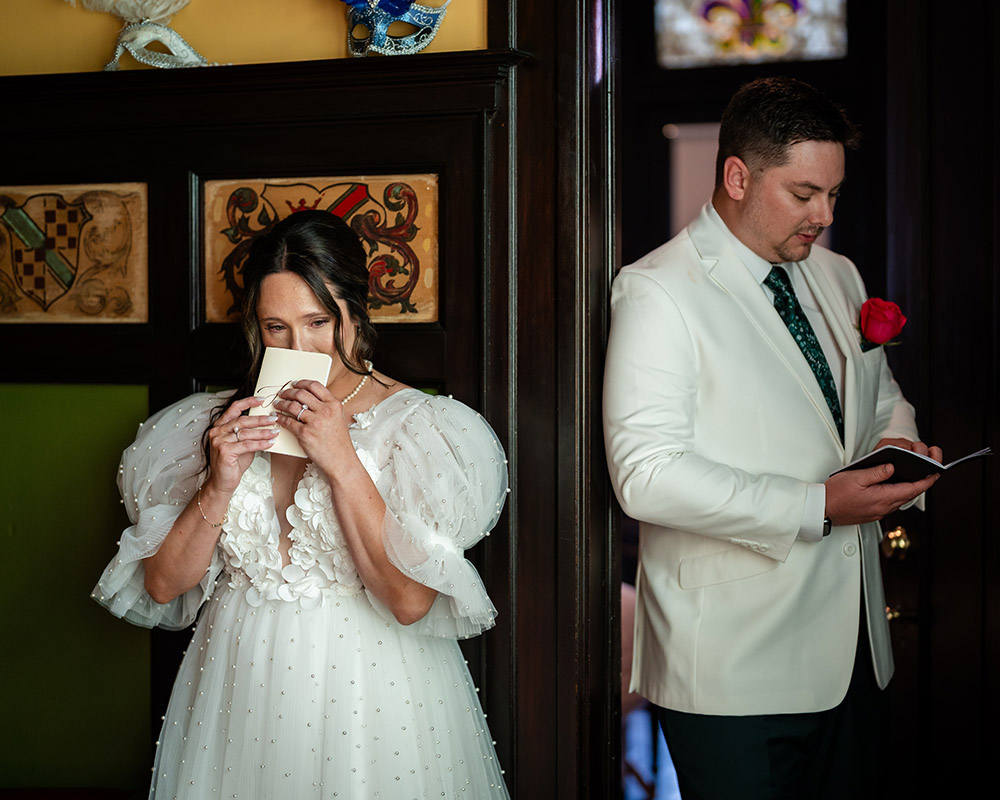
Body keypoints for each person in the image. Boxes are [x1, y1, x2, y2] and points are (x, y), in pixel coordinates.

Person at [92, 210, 510, 798]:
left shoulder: (420, 429)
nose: (300, 346)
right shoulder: (210, 424)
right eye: (276, 328)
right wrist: (220, 481)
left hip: (372, 695)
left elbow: (410, 601)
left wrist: (340, 460)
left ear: (355, 312)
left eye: (319, 321)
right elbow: (162, 587)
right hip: (238, 687)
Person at [603, 77, 942, 798]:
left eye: (833, 195)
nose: (822, 215)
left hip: (853, 655)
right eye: (803, 193)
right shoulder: (658, 289)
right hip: (730, 666)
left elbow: (881, 400)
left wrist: (901, 448)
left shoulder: (839, 276)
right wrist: (815, 505)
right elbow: (646, 473)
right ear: (736, 176)